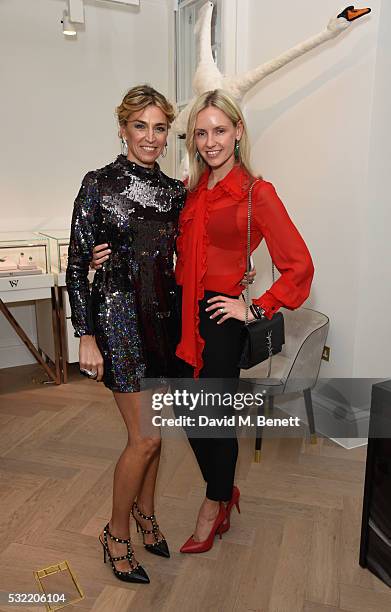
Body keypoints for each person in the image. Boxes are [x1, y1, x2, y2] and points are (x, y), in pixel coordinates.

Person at [173, 89, 314, 553]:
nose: (210, 141)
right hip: (183, 310)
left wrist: (252, 306)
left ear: (238, 133)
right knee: (187, 414)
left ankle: (214, 505)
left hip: (220, 315)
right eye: (201, 132)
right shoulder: (194, 191)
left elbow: (299, 265)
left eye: (220, 130)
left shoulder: (257, 192)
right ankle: (225, 487)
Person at [66, 84, 186, 584]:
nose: (151, 138)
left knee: (153, 442)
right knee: (146, 438)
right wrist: (85, 334)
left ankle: (146, 513)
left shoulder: (177, 191)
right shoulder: (98, 184)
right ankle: (115, 533)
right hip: (118, 321)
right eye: (141, 126)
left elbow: (181, 256)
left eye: (160, 128)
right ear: (123, 129)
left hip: (163, 322)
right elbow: (76, 263)